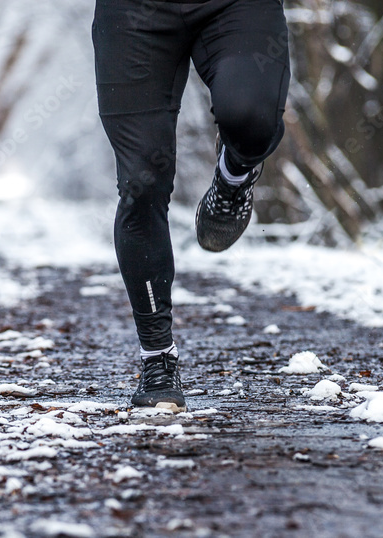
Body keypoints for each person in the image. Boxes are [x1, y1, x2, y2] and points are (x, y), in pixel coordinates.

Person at [92, 0, 290, 411]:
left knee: (251, 119)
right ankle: (157, 359)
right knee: (140, 182)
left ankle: (234, 179)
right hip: (131, 13)